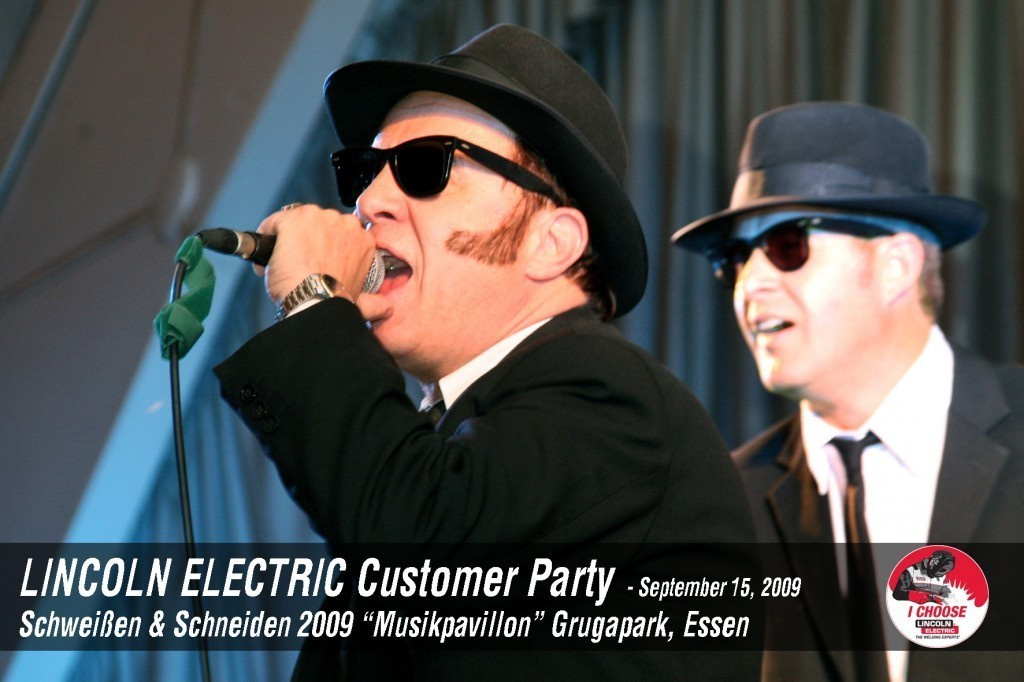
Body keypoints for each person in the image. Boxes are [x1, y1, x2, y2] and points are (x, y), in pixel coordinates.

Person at [215, 24, 759, 680]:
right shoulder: (442, 436)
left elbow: (423, 543)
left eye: (426, 166)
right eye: (361, 172)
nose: (367, 202)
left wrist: (312, 299)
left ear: (551, 243)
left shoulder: (609, 395)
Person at [673, 101, 1024, 681]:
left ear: (897, 266)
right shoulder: (724, 507)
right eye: (734, 259)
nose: (750, 283)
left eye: (787, 245)